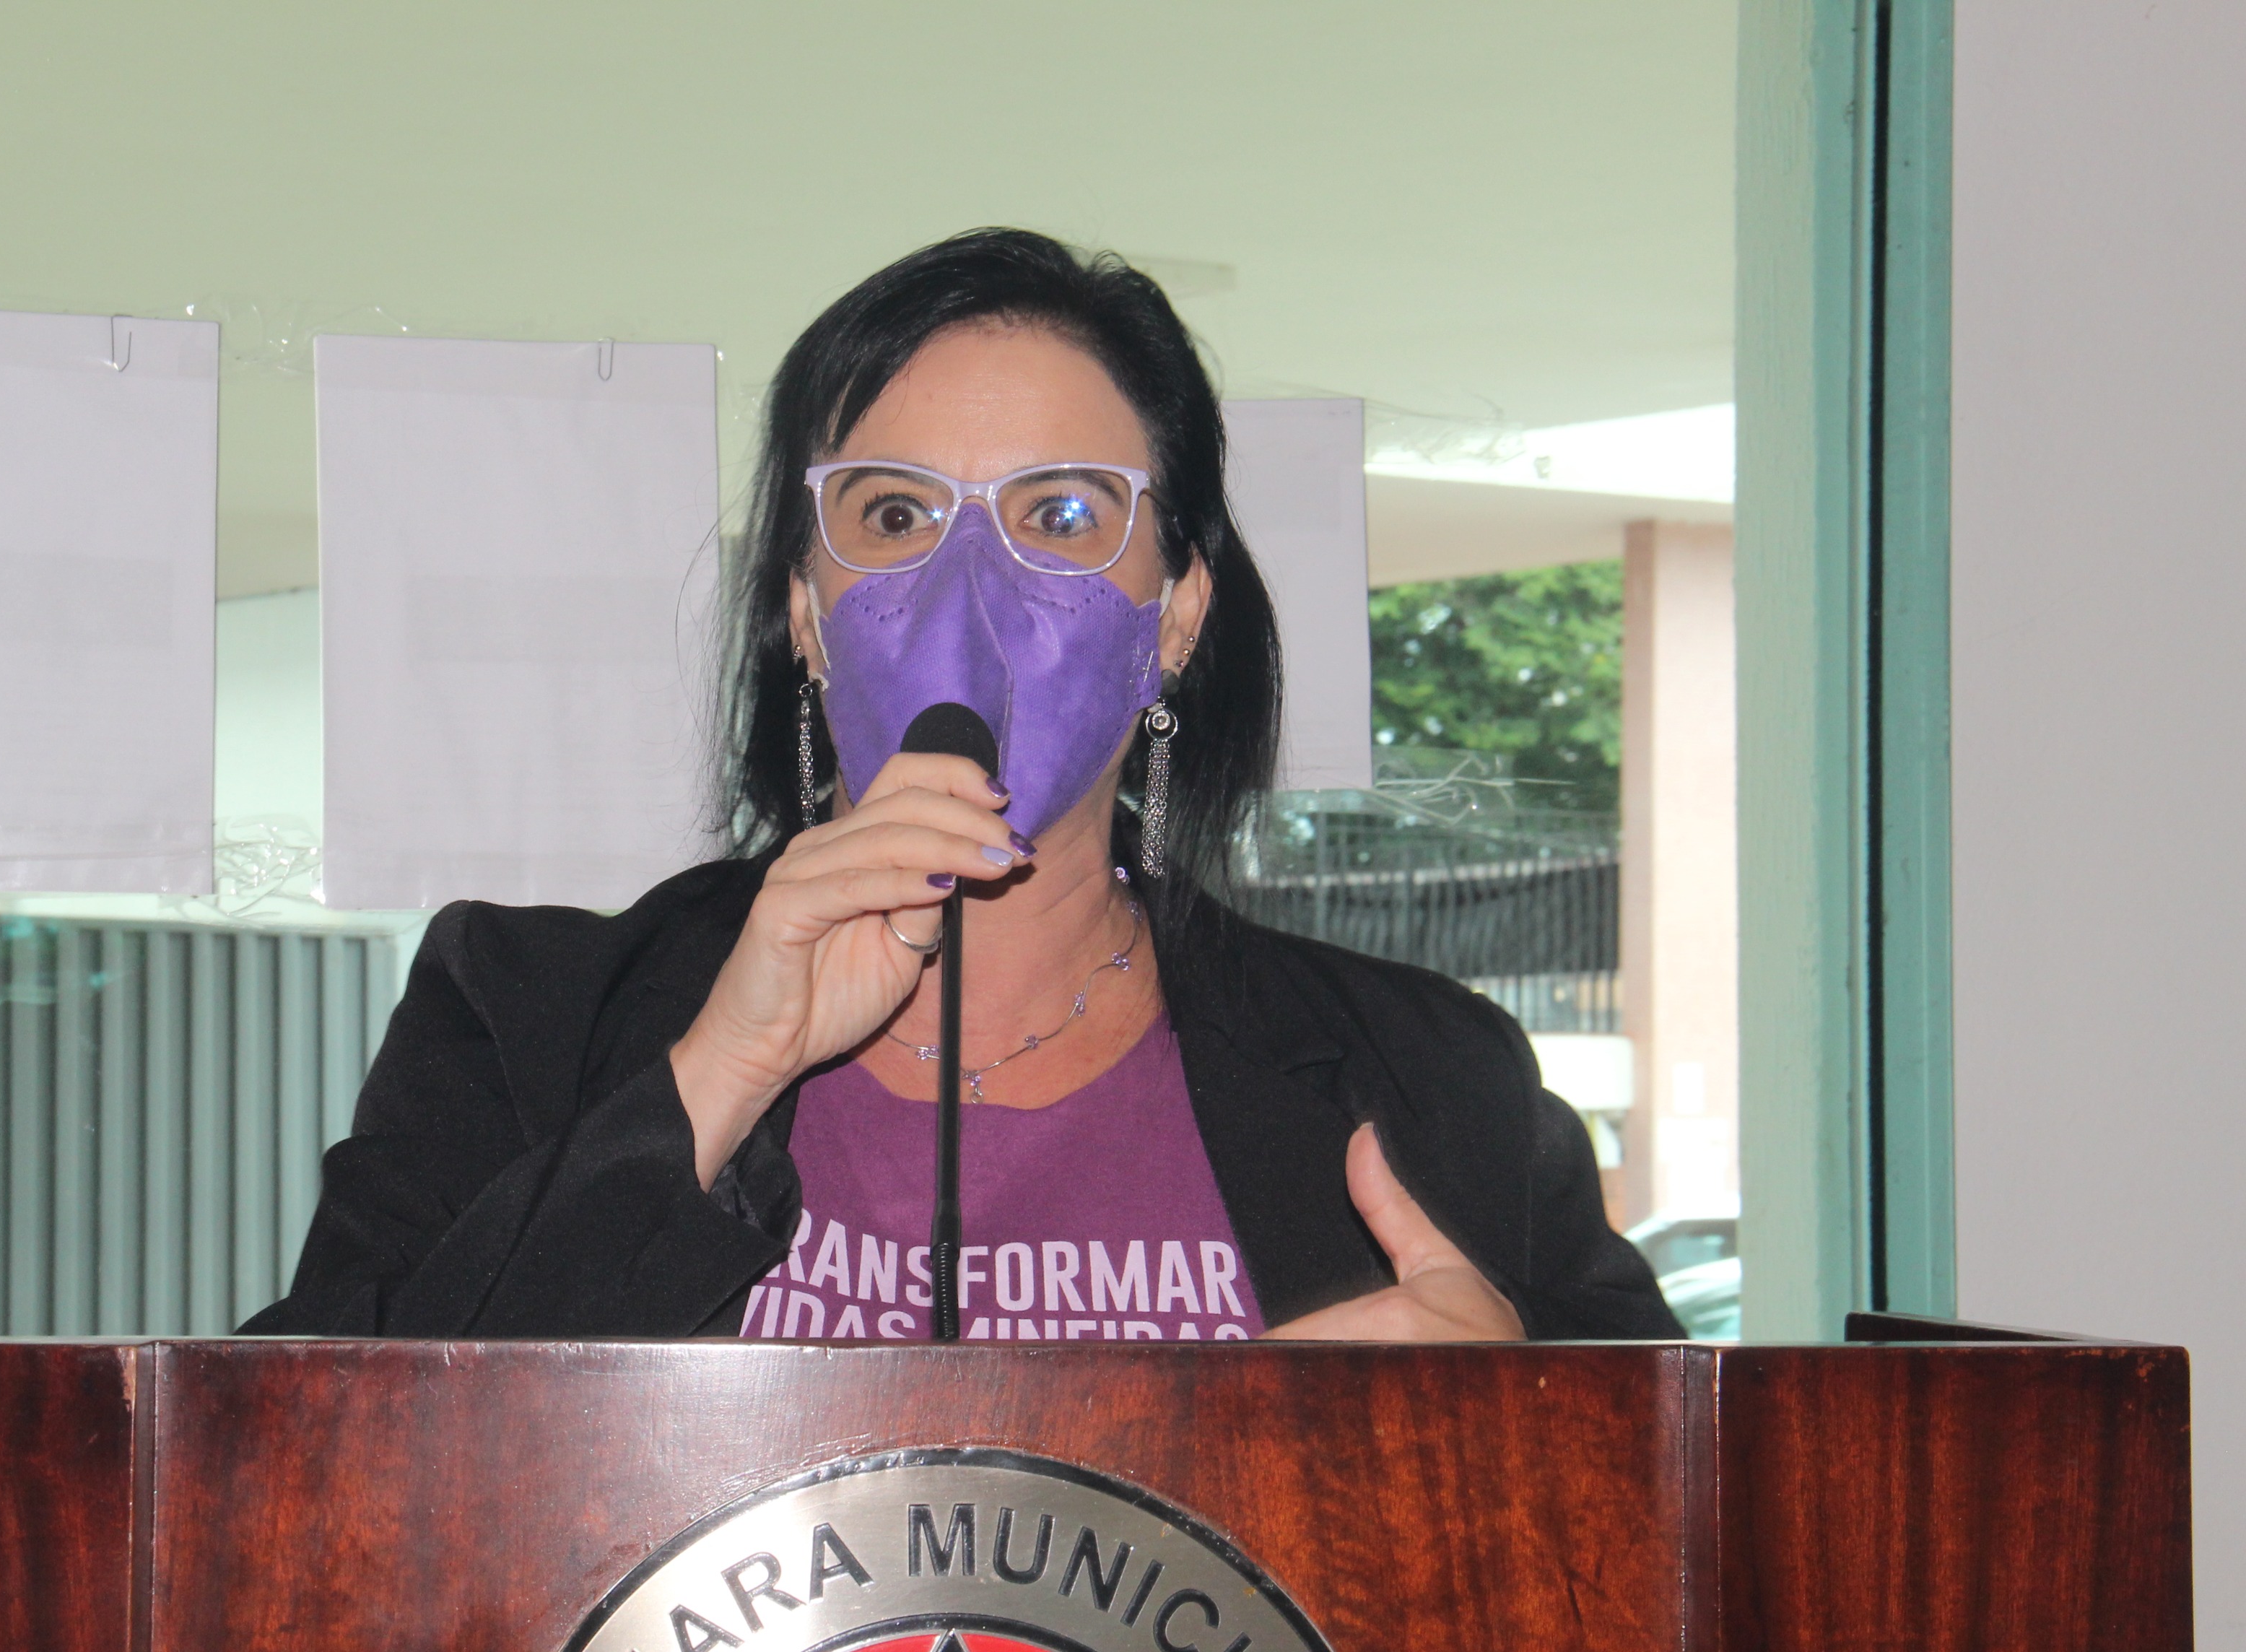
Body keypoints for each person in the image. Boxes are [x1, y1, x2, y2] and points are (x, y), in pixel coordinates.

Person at [244, 229, 1679, 1344]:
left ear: (1176, 613)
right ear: (805, 612)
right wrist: (718, 1073)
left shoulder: (1432, 1081)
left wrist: (1504, 1442)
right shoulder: (524, 1015)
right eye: (893, 512)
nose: (970, 590)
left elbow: (1712, 1562)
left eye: (1061, 514)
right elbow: (297, 1493)